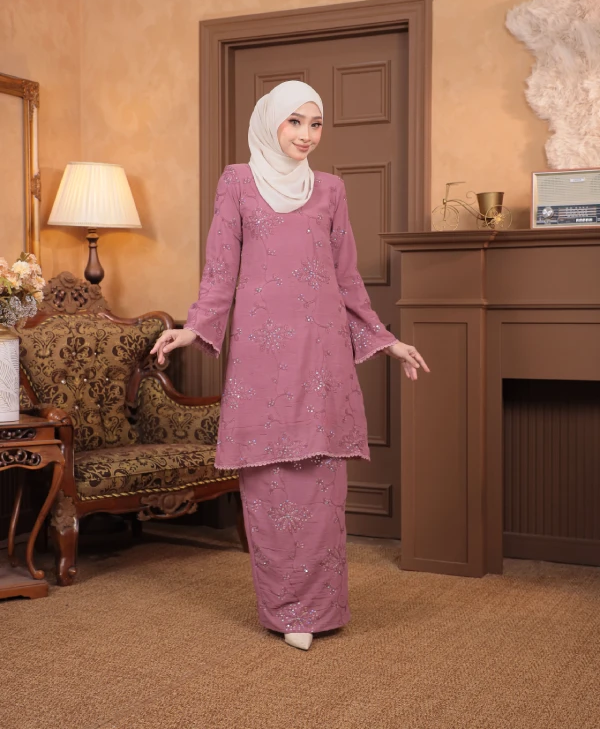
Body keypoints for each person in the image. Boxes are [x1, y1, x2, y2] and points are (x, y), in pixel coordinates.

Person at [151, 80, 429, 651]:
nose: (306, 135)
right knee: (270, 485)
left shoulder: (330, 190)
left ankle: (321, 609)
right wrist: (194, 327)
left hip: (323, 354)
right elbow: (220, 267)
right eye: (295, 122)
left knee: (322, 486)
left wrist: (387, 340)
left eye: (315, 123)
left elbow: (347, 276)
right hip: (260, 354)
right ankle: (286, 611)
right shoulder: (237, 182)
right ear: (271, 122)